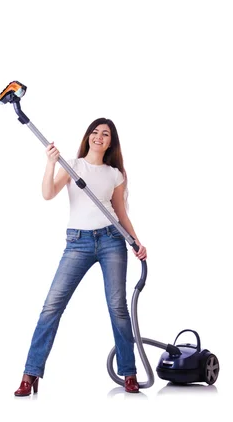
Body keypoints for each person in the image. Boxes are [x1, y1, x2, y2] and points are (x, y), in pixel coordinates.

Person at [13, 118, 147, 396]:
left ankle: (129, 374)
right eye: (95, 132)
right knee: (52, 306)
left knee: (117, 307)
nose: (99, 137)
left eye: (105, 134)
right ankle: (30, 374)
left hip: (112, 240)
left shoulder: (115, 174)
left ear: (111, 141)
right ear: (88, 136)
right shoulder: (72, 166)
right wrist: (51, 163)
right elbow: (48, 194)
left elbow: (121, 213)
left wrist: (135, 242)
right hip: (78, 242)